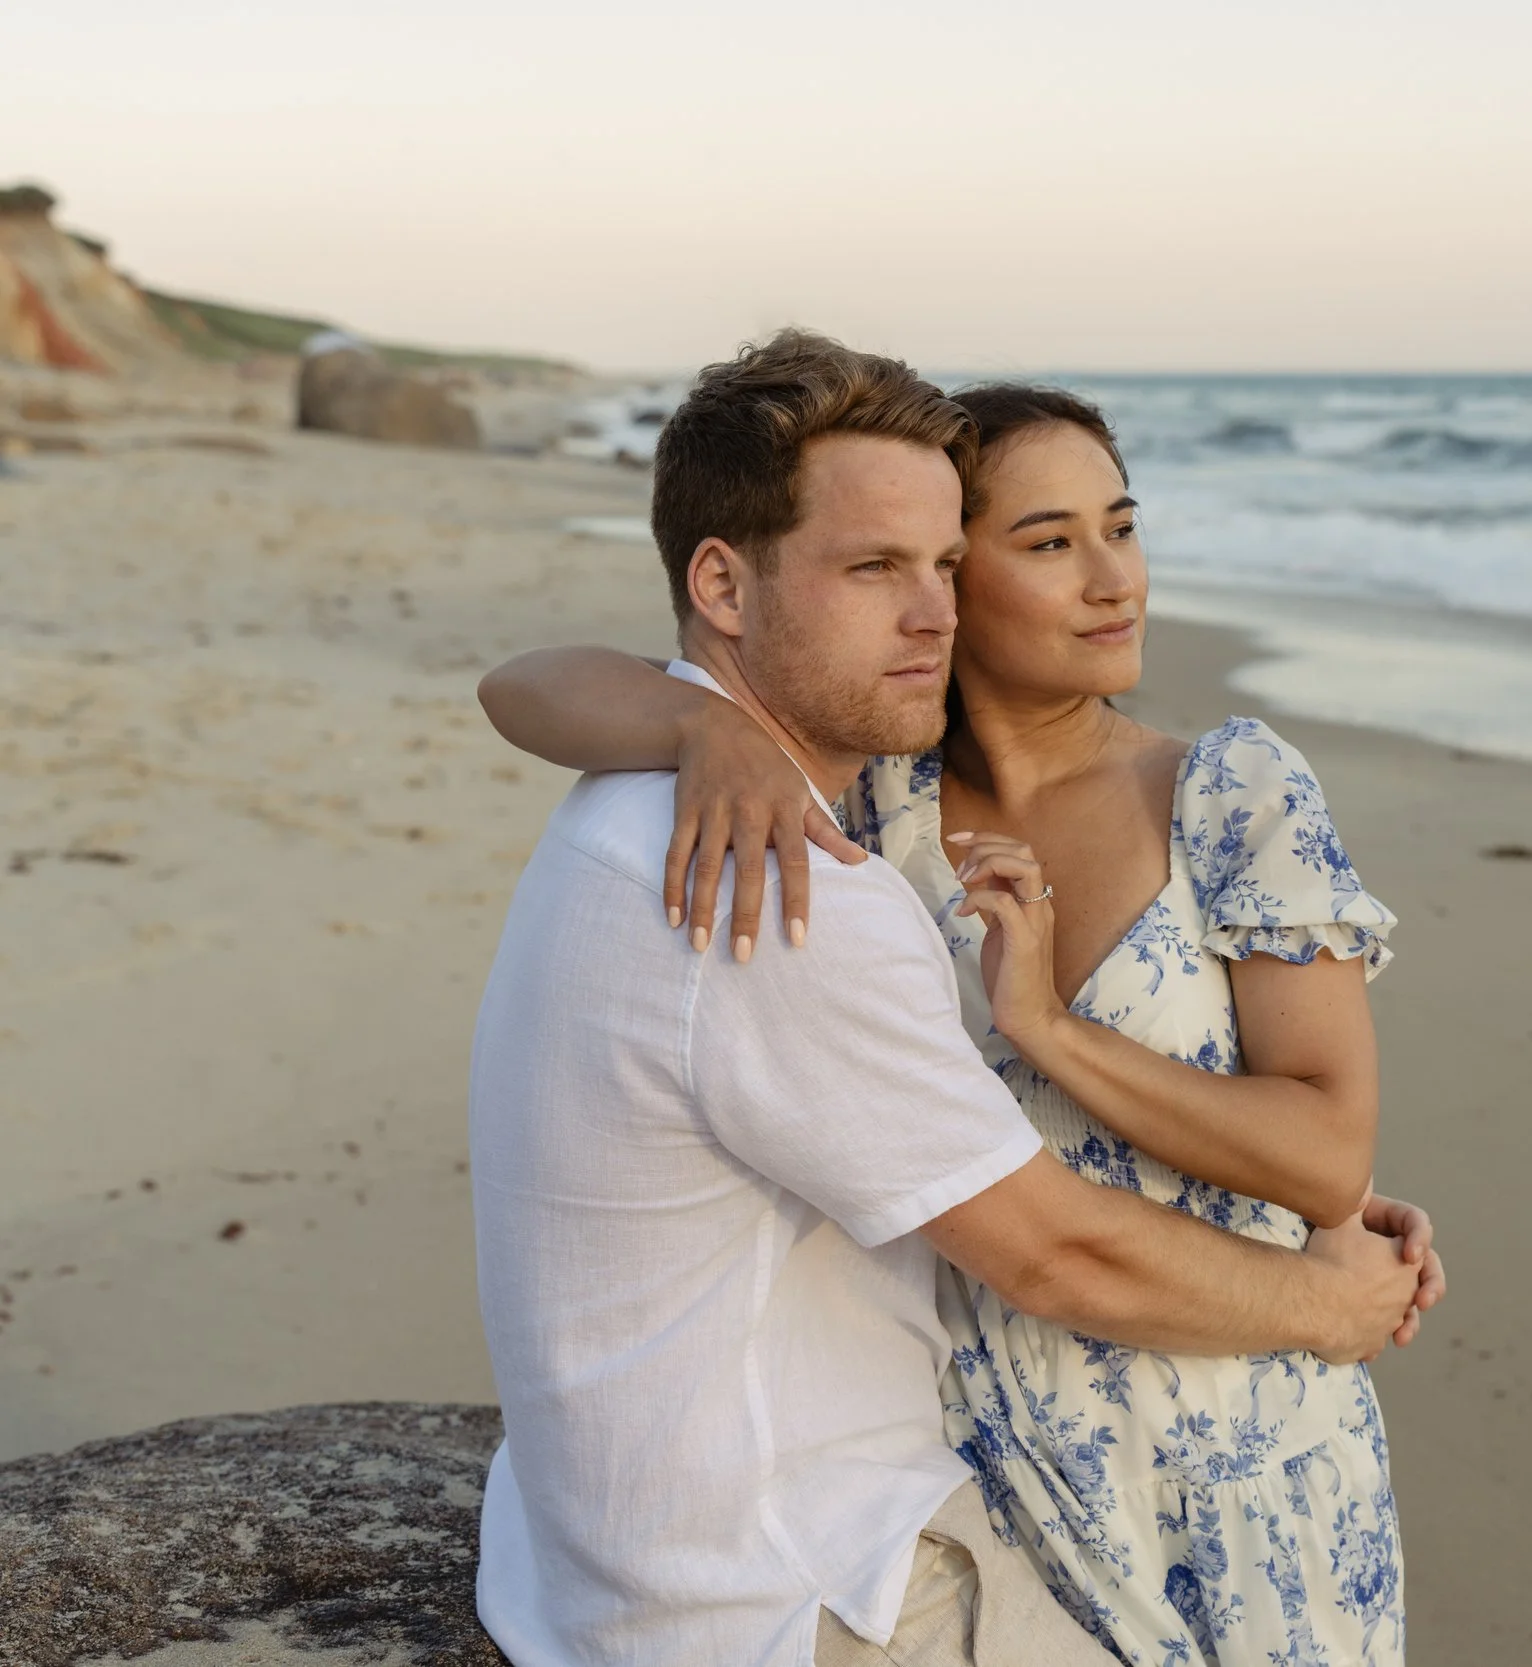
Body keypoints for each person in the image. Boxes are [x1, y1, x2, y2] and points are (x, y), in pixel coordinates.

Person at [467, 329, 1437, 1667]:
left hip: (1213, 1399)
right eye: (1042, 542)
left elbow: (1327, 1152)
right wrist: (707, 725)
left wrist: (1049, 1030)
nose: (1111, 579)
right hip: (941, 1461)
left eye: (1122, 526)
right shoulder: (848, 826)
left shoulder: (1212, 787)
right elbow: (523, 682)